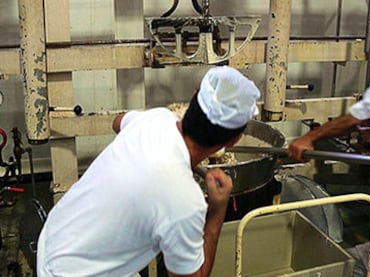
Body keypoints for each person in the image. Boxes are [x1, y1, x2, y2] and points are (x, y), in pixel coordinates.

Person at [36, 66, 260, 277]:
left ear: (193, 97)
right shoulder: (185, 202)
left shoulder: (157, 118)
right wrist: (217, 209)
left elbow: (117, 122)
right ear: (233, 140)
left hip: (52, 239)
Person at [288, 83, 370, 276]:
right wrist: (310, 138)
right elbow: (354, 120)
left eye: (365, 130)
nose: (360, 132)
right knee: (346, 264)